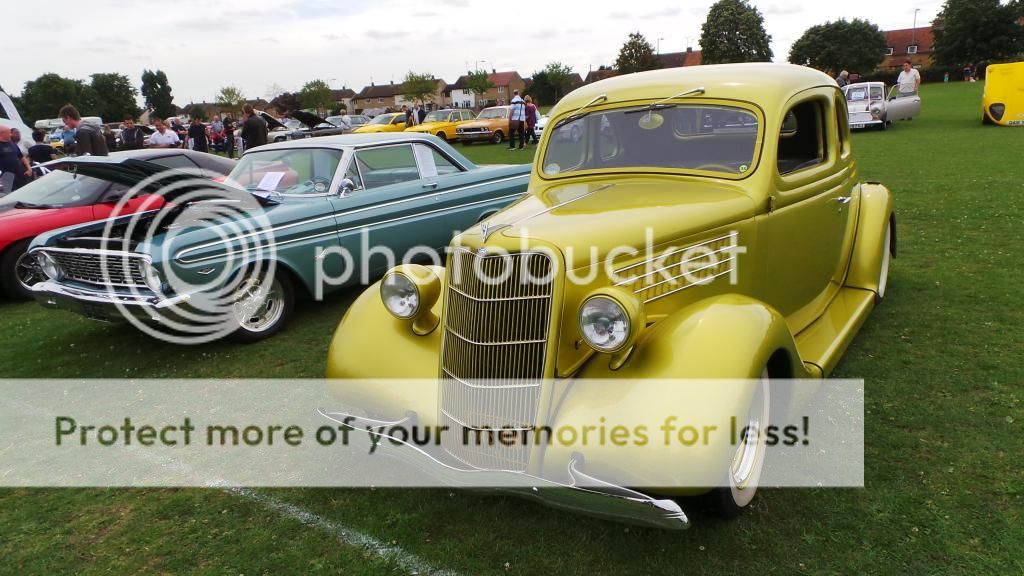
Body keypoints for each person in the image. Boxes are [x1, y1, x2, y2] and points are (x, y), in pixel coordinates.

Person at [0, 125, 32, 192]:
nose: (11, 134)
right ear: (2, 134)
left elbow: (21, 156)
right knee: (9, 195)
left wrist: (29, 168)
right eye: (8, 133)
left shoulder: (12, 143)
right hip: (6, 176)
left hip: (20, 173)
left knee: (24, 191)